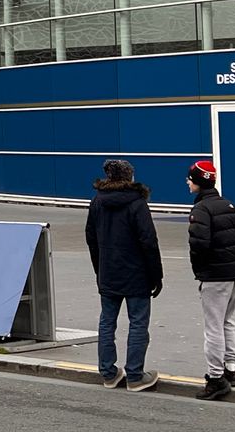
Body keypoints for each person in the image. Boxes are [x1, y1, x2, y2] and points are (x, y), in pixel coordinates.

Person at [84, 159, 162, 393]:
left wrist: (99, 268)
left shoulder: (97, 201)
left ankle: (108, 373)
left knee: (107, 321)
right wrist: (156, 275)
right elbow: (148, 241)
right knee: (138, 322)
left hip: (108, 271)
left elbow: (91, 237)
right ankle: (135, 376)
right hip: (136, 273)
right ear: (129, 177)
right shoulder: (137, 203)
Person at [187, 159, 235, 401]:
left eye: (190, 178)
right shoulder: (229, 205)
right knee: (227, 322)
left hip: (214, 276)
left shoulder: (201, 210)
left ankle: (215, 378)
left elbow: (198, 245)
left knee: (213, 326)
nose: (187, 182)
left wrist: (201, 269)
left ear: (199, 183)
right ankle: (231, 369)